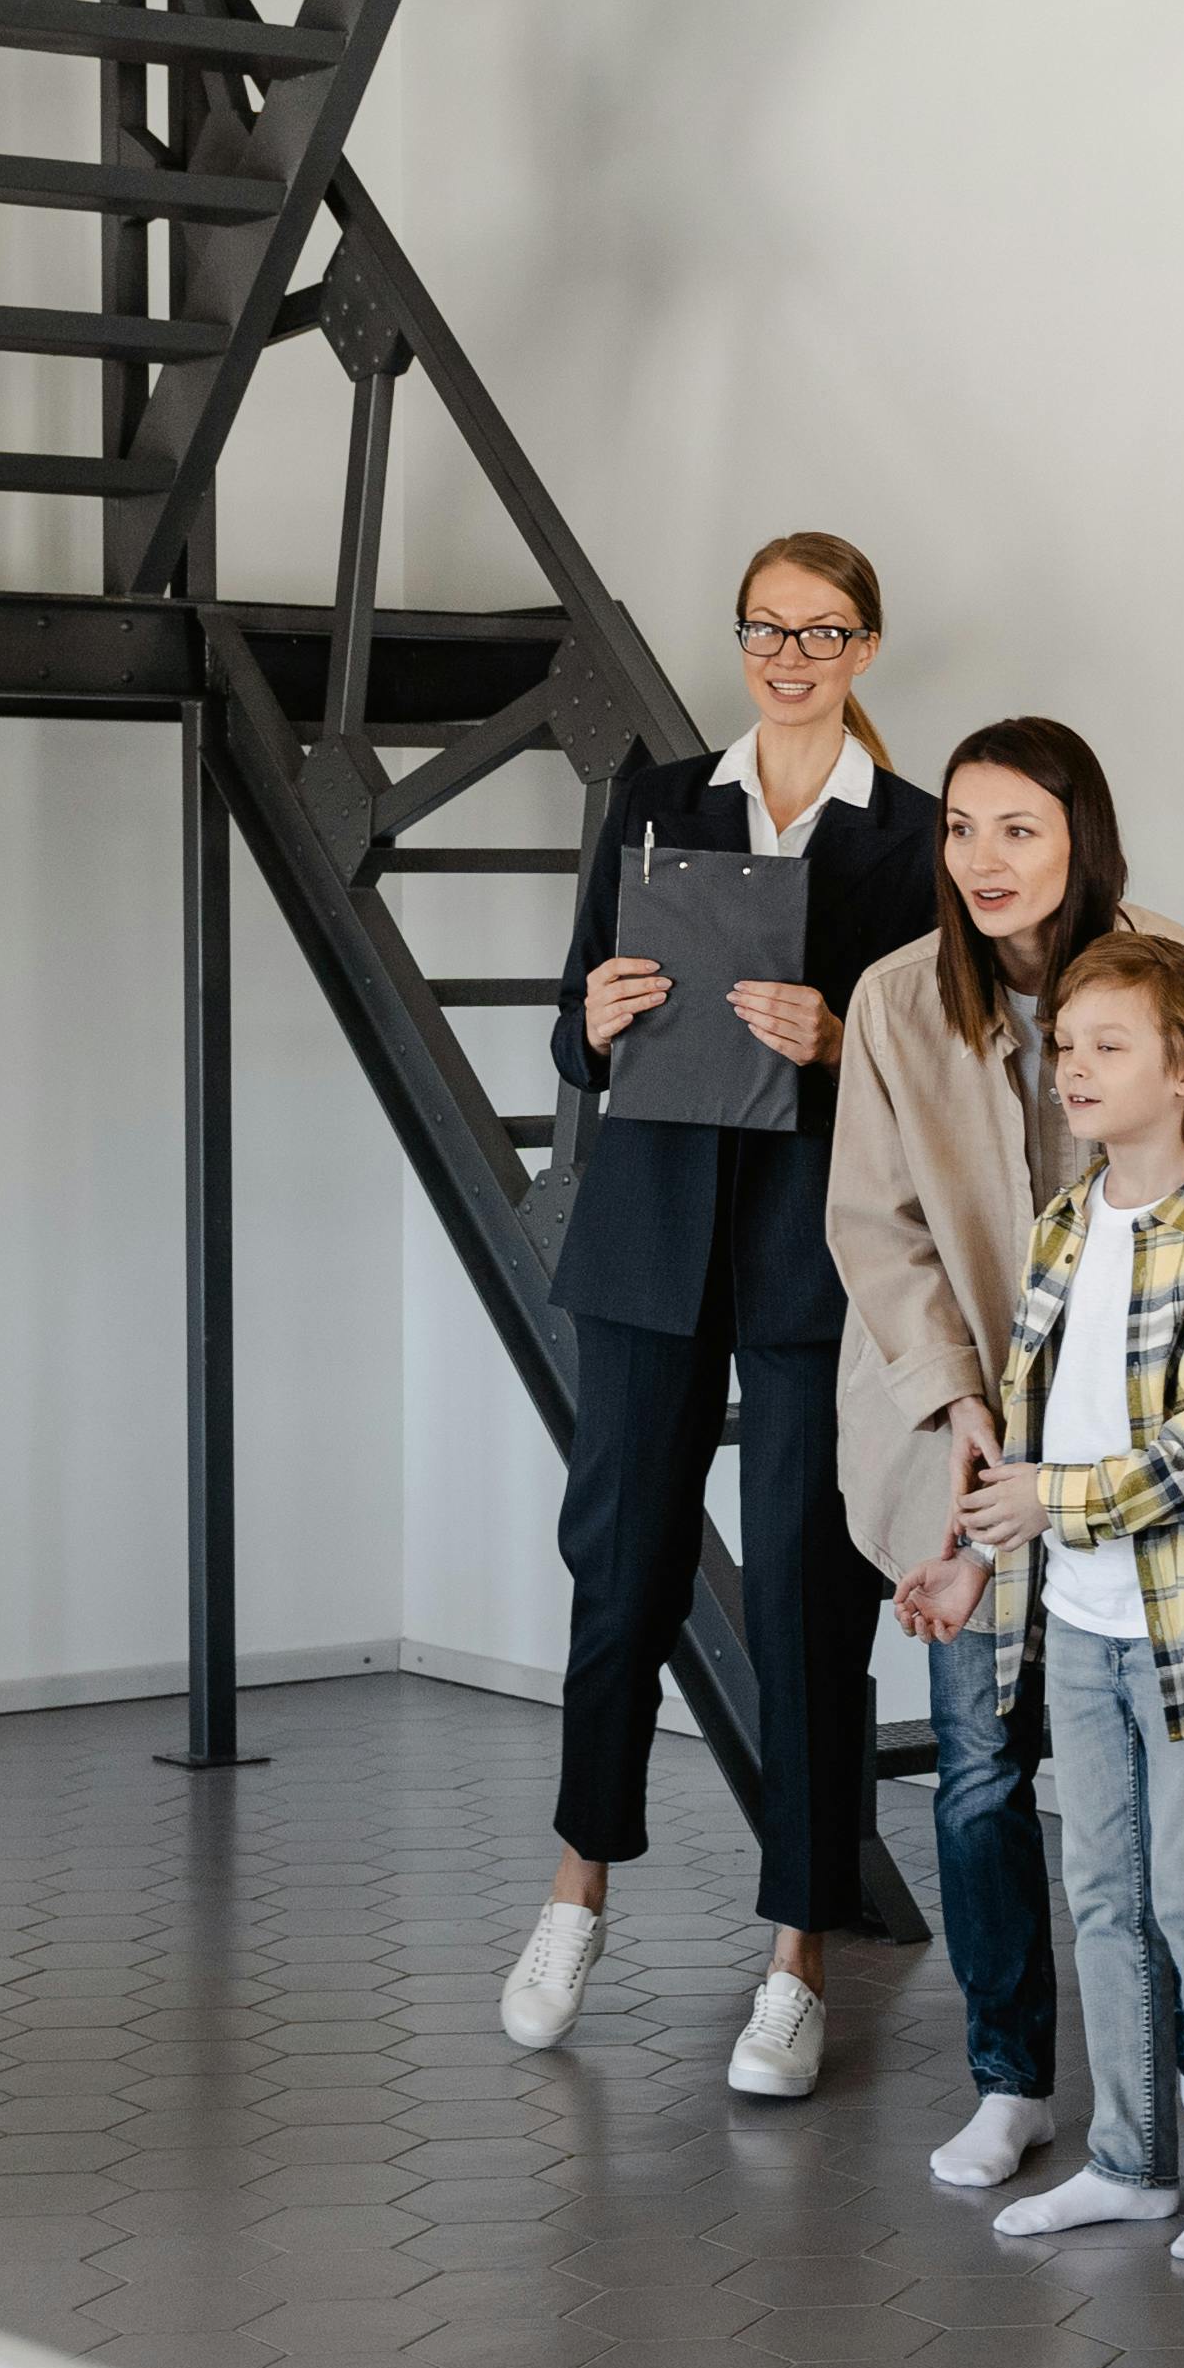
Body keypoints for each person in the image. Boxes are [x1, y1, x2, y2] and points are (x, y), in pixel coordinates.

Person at [831, 721, 1184, 2194]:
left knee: (1162, 1816)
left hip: (1145, 1469)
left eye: (1019, 828)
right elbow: (875, 1224)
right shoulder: (896, 997)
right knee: (979, 1776)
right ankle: (1009, 2077)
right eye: (963, 829)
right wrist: (958, 1395)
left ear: (1081, 836)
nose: (984, 858)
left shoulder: (1179, 973)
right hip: (966, 1443)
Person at [503, 532, 941, 2100]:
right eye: (767, 626)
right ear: (741, 638)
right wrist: (599, 1021)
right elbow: (572, 1024)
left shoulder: (913, 836)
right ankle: (575, 1893)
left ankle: (798, 1953)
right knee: (616, 1564)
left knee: (812, 1600)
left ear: (867, 647)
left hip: (813, 1252)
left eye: (823, 631)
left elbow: (942, 1071)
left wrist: (843, 1041)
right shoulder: (655, 799)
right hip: (649, 1242)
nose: (791, 653)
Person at [937, 932, 1184, 2265]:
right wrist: (982, 1548)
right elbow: (1029, 1430)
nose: (1072, 1068)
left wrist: (1061, 1500)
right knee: (1100, 1892)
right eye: (1064, 1045)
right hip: (1076, 1629)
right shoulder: (1056, 1228)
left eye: (1109, 1046)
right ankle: (1131, 2161)